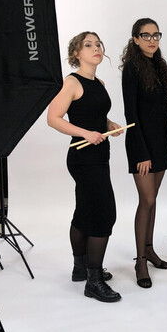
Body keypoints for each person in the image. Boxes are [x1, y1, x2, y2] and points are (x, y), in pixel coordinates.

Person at [46, 31, 124, 302]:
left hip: (100, 155)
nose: (96, 48)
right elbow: (53, 118)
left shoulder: (98, 82)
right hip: (83, 158)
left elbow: (96, 116)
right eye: (88, 45)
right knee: (104, 214)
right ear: (76, 53)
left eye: (98, 44)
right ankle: (94, 281)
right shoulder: (71, 82)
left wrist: (109, 125)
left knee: (84, 212)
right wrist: (85, 133)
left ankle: (81, 268)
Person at [120, 17, 167, 288]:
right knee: (147, 199)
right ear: (135, 39)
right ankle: (140, 260)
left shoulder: (157, 65)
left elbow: (161, 110)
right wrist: (141, 152)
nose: (152, 40)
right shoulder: (131, 68)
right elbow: (131, 114)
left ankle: (150, 250)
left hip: (161, 142)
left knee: (153, 200)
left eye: (156, 35)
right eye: (146, 35)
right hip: (141, 144)